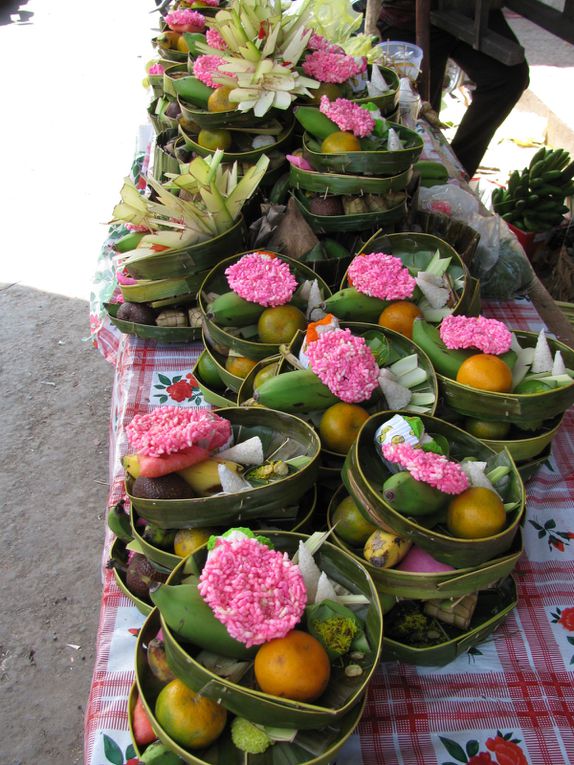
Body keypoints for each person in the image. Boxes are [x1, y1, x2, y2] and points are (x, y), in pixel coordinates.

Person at [378, 1, 530, 177]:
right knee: (416, 114)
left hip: (469, 10)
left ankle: (456, 170)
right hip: (409, 15)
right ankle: (419, 180)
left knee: (509, 78)